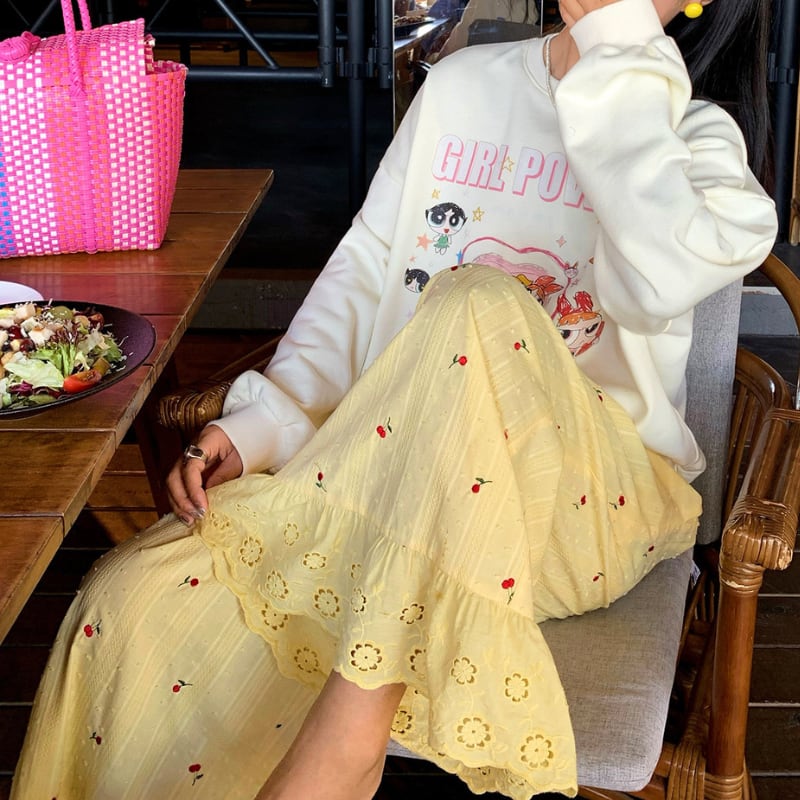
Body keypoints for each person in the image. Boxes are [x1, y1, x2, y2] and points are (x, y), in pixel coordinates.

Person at [11, 0, 777, 797]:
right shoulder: (462, 87)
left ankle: (350, 736)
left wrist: (617, 43)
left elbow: (661, 277)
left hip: (581, 517)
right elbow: (367, 271)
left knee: (478, 299)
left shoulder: (695, 143)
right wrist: (267, 419)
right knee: (128, 599)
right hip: (397, 475)